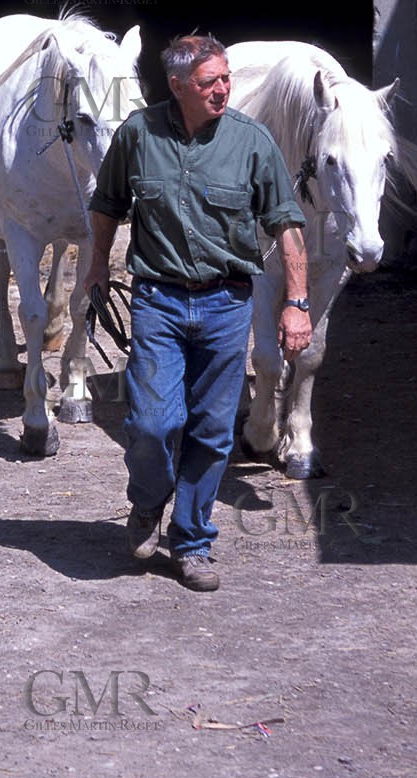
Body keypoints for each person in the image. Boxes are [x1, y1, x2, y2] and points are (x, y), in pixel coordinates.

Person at [85, 33, 313, 591]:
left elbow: (286, 224)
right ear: (178, 85)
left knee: (211, 430)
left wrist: (296, 303)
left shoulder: (252, 141)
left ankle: (191, 542)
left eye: (227, 78)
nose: (223, 89)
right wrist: (96, 266)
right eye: (210, 81)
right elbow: (107, 204)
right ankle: (147, 501)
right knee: (152, 422)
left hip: (226, 303)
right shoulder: (138, 134)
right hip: (158, 300)